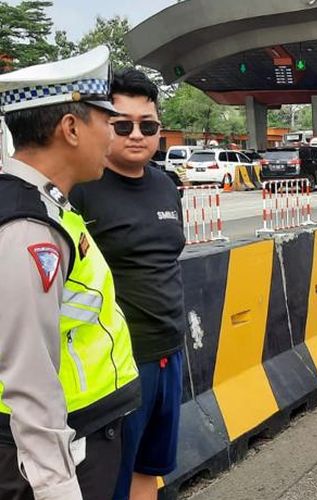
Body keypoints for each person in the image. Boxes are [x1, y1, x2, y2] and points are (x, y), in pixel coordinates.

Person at [0, 47, 140, 499]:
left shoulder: (46, 205)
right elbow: (29, 377)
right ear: (71, 128)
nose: (113, 136)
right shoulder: (26, 227)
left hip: (81, 432)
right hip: (56, 453)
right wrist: (57, 487)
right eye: (109, 122)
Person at [69, 68, 186, 500]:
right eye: (123, 125)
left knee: (149, 469)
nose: (137, 135)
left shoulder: (165, 185)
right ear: (104, 123)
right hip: (115, 366)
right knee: (110, 482)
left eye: (147, 126)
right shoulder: (82, 189)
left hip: (169, 353)